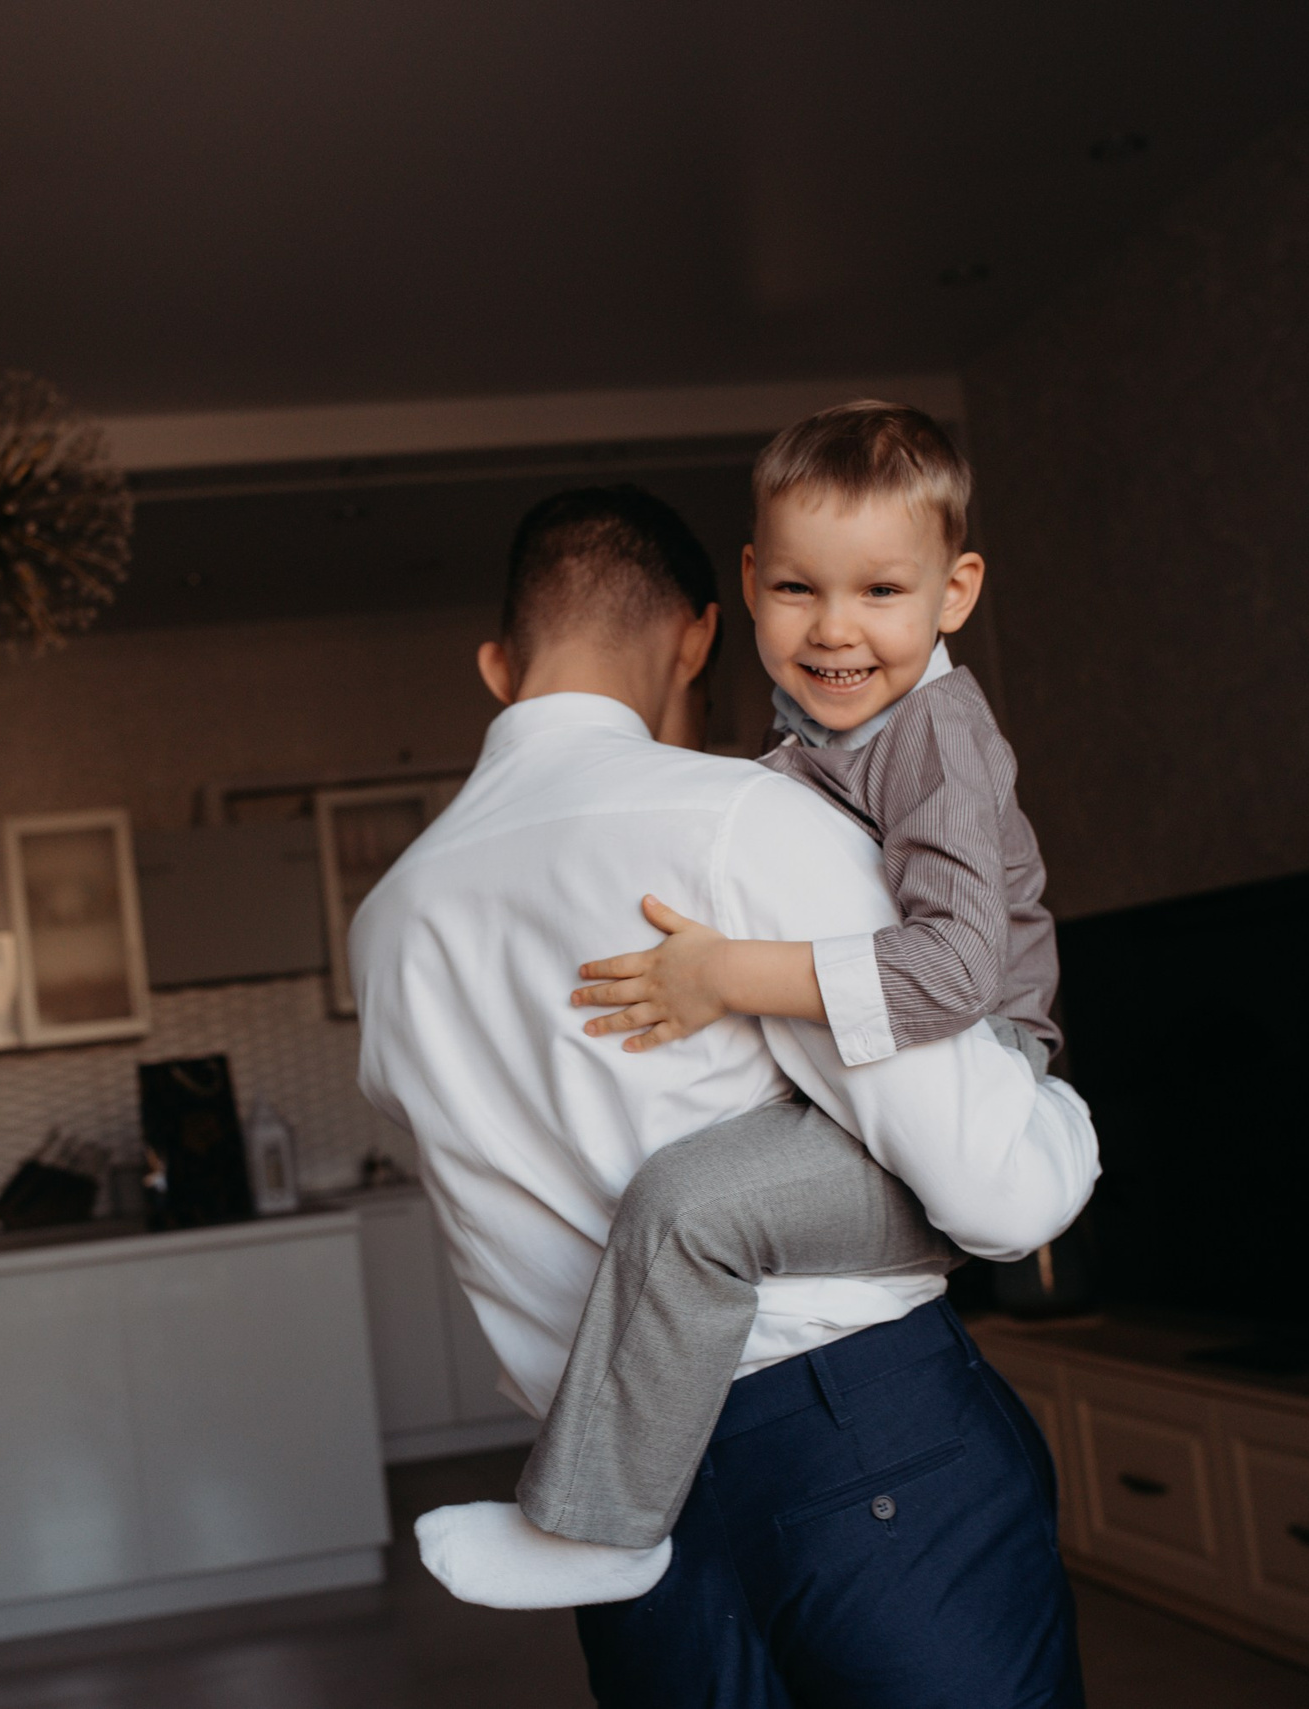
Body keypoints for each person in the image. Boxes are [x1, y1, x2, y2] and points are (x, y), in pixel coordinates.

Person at [349, 482, 1097, 1707]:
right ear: (703, 630)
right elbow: (995, 1190)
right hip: (857, 1438)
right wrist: (1057, 1127)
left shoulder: (386, 928)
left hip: (611, 1508)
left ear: (497, 665)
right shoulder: (746, 821)